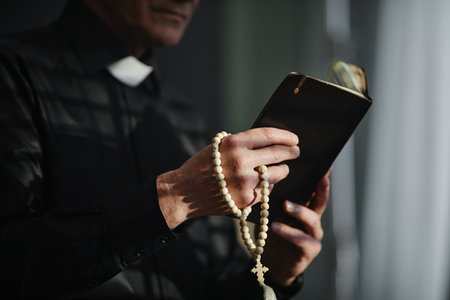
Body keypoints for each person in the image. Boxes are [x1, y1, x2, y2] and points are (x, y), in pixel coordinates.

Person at [0, 0, 330, 299]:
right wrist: (177, 196)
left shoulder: (183, 118)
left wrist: (275, 273)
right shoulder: (12, 74)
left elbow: (210, 286)